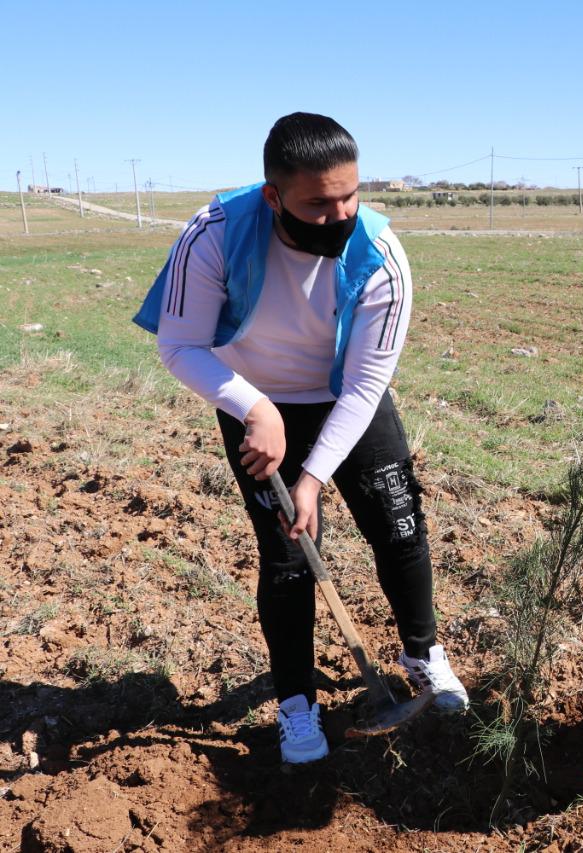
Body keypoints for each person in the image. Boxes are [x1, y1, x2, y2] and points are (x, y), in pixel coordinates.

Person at [133, 112, 468, 765]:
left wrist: (312, 478)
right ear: (274, 195)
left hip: (347, 398)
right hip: (253, 400)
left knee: (400, 527)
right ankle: (296, 704)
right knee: (288, 556)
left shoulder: (382, 258)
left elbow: (367, 386)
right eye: (318, 203)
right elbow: (179, 345)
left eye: (350, 196)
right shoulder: (216, 236)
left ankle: (424, 655)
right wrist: (254, 406)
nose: (339, 214)